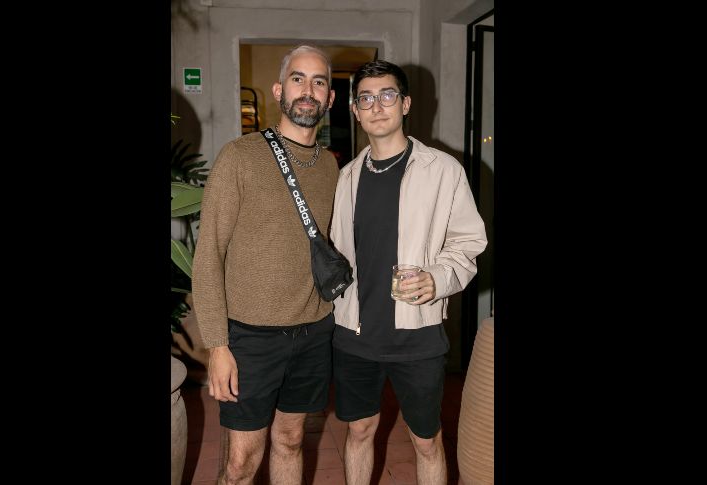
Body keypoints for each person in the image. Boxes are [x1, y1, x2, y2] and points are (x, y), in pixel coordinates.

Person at [329, 59, 488, 485]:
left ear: (405, 104)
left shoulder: (443, 170)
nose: (377, 106)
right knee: (359, 431)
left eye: (387, 95)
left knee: (426, 441)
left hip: (417, 333)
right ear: (355, 110)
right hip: (355, 332)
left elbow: (469, 241)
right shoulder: (345, 178)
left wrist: (438, 278)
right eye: (366, 98)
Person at [191, 45, 339, 485]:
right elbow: (208, 255)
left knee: (291, 440)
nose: (308, 90)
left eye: (318, 81)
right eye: (298, 79)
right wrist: (218, 346)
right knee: (240, 464)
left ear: (330, 97)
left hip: (314, 331)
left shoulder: (331, 167)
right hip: (250, 338)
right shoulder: (240, 156)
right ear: (278, 90)